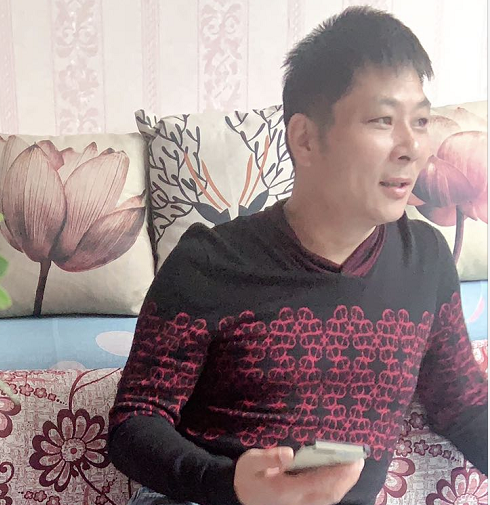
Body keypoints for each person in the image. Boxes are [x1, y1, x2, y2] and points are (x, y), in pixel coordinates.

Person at [108, 6, 488, 505]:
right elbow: (134, 422)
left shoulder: (426, 260)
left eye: (419, 120)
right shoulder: (209, 263)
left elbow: (462, 406)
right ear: (305, 139)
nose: (412, 147)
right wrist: (231, 484)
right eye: (382, 120)